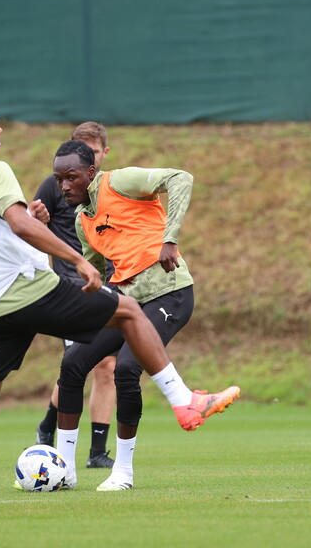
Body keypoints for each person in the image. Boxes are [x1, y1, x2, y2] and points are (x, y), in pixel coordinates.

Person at [0, 95, 239, 513]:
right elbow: (18, 224)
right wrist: (76, 259)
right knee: (128, 311)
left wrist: (35, 225)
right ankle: (185, 401)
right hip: (26, 289)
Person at [49, 139, 236, 492]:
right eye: (58, 179)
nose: (63, 186)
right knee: (72, 364)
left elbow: (181, 177)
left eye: (70, 177)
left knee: (126, 368)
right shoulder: (81, 220)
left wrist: (171, 238)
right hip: (127, 303)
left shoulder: (119, 181)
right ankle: (64, 470)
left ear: (90, 172)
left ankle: (123, 471)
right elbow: (96, 270)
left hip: (171, 293)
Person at [32, 122, 117, 470]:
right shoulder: (55, 187)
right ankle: (53, 431)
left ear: (102, 156)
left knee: (106, 366)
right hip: (70, 287)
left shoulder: (112, 187)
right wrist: (37, 219)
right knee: (81, 365)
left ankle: (94, 450)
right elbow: (25, 226)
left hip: (110, 283)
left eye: (92, 151)